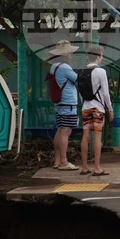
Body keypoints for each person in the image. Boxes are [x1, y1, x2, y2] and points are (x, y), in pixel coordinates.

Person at [80, 45, 114, 177]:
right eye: (102, 55)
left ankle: (84, 167)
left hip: (86, 107)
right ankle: (97, 168)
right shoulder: (101, 72)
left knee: (85, 136)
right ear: (98, 56)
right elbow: (106, 94)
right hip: (98, 108)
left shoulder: (82, 72)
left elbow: (80, 93)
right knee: (98, 136)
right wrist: (110, 110)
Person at [47, 39, 80, 170]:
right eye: (70, 53)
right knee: (66, 131)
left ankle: (57, 161)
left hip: (60, 103)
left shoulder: (53, 66)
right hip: (68, 103)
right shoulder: (65, 67)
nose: (71, 55)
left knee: (60, 131)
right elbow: (77, 80)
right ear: (65, 54)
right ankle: (64, 162)